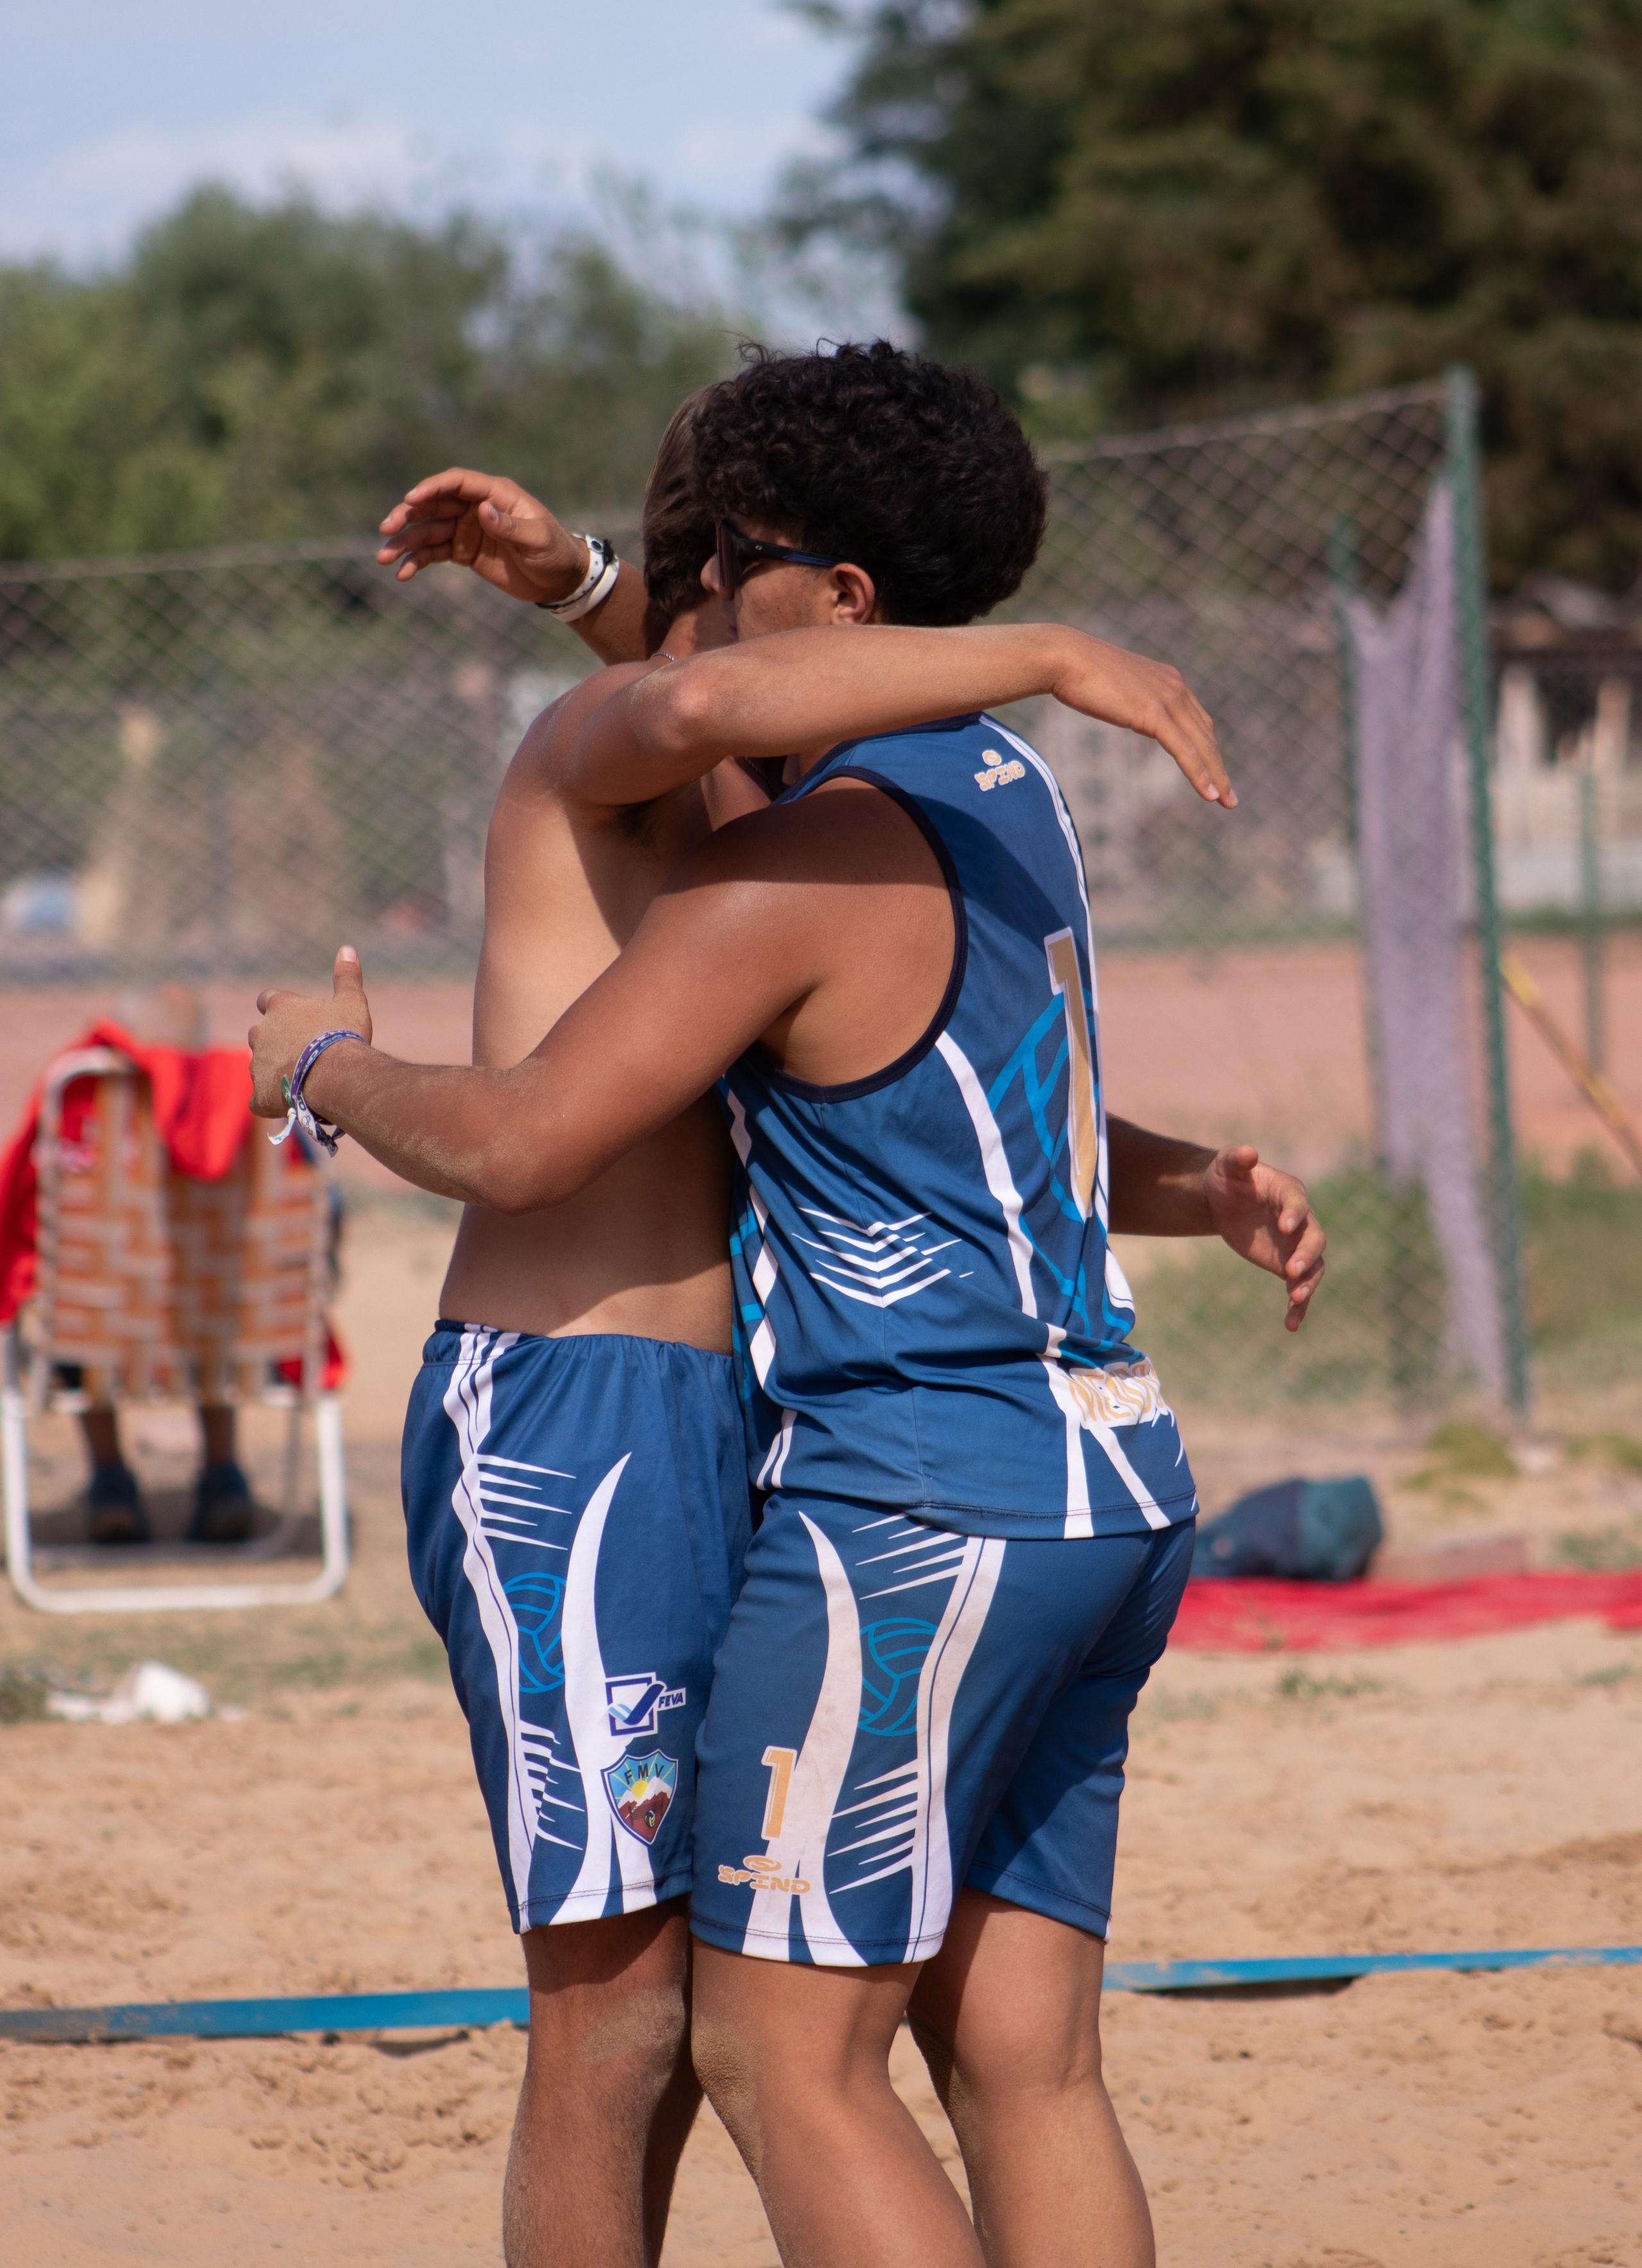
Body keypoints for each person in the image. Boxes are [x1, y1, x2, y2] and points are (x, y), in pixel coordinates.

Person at [273, 344, 1325, 2268]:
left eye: (712, 546)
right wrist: (602, 581)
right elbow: (702, 697)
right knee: (675, 2024)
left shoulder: (803, 832)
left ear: (836, 600)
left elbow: (532, 1118)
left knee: (763, 2038)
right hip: (640, 1430)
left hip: (875, 1480)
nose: (680, 579)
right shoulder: (952, 789)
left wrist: (323, 1068)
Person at [72, 983, 255, 1546]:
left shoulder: (77, 1113)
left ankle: (110, 1484)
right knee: (215, 1288)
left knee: (81, 1295)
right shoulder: (246, 1117)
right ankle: (224, 1477)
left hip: (104, 1335)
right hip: (233, 1334)